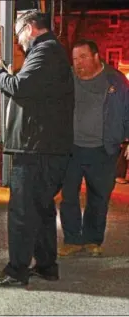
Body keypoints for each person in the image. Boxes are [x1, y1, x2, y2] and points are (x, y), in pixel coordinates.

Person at [0, 11, 75, 286]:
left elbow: (20, 87)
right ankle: (46, 265)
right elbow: (32, 91)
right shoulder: (50, 53)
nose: (18, 40)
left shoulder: (45, 52)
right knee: (42, 209)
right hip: (45, 148)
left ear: (31, 28)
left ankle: (16, 271)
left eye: (18, 32)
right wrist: (6, 76)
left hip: (37, 150)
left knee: (22, 212)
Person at [58, 39, 129, 257]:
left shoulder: (115, 80)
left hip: (103, 149)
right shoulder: (67, 77)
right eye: (75, 58)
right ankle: (72, 239)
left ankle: (92, 239)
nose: (78, 63)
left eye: (83, 57)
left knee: (98, 198)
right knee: (68, 196)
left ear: (96, 57)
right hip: (72, 148)